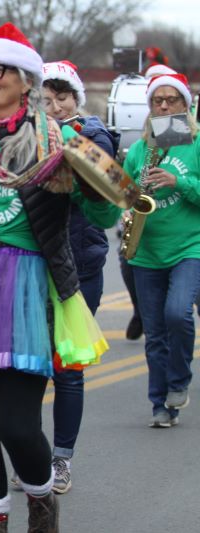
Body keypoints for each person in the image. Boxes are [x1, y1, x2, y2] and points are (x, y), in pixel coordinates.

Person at [0, 23, 118, 531]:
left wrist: (88, 179)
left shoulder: (61, 140)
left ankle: (41, 496)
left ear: (25, 79)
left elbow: (107, 212)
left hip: (27, 289)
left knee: (16, 424)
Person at [38, 60, 117, 494]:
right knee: (28, 369)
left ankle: (62, 459)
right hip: (31, 262)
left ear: (75, 99)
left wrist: (54, 128)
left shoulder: (92, 133)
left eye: (61, 97)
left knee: (67, 369)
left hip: (78, 263)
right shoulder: (22, 136)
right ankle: (33, 455)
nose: (54, 106)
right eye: (44, 99)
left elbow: (107, 179)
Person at [123, 73, 200, 428]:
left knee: (178, 314)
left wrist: (178, 181)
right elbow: (121, 195)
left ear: (186, 106)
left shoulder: (195, 143)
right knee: (154, 335)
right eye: (158, 101)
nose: (165, 106)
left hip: (189, 247)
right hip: (146, 251)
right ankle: (161, 404)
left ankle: (180, 380)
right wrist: (123, 210)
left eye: (172, 100)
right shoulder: (140, 150)